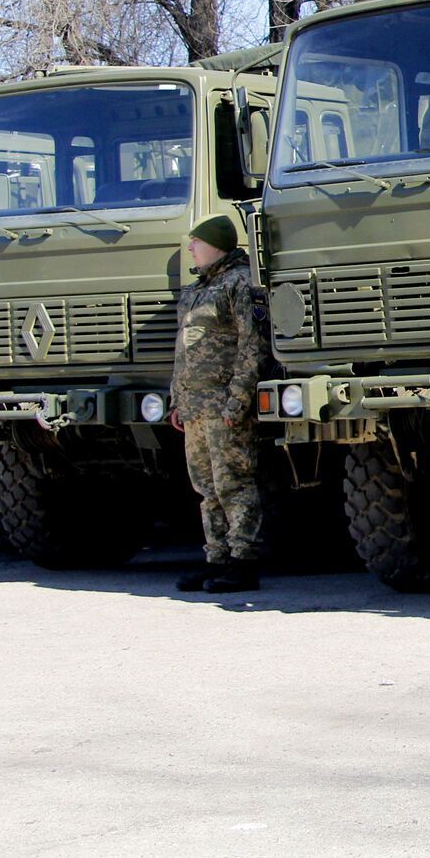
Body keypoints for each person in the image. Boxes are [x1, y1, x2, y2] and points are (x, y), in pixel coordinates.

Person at [171, 213, 269, 594]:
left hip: (224, 407)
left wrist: (237, 402)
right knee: (206, 489)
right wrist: (178, 400)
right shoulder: (197, 289)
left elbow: (252, 346)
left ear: (216, 244)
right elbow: (184, 352)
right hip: (195, 408)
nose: (191, 248)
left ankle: (243, 562)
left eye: (197, 241)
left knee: (234, 484)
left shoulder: (239, 282)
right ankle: (217, 558)